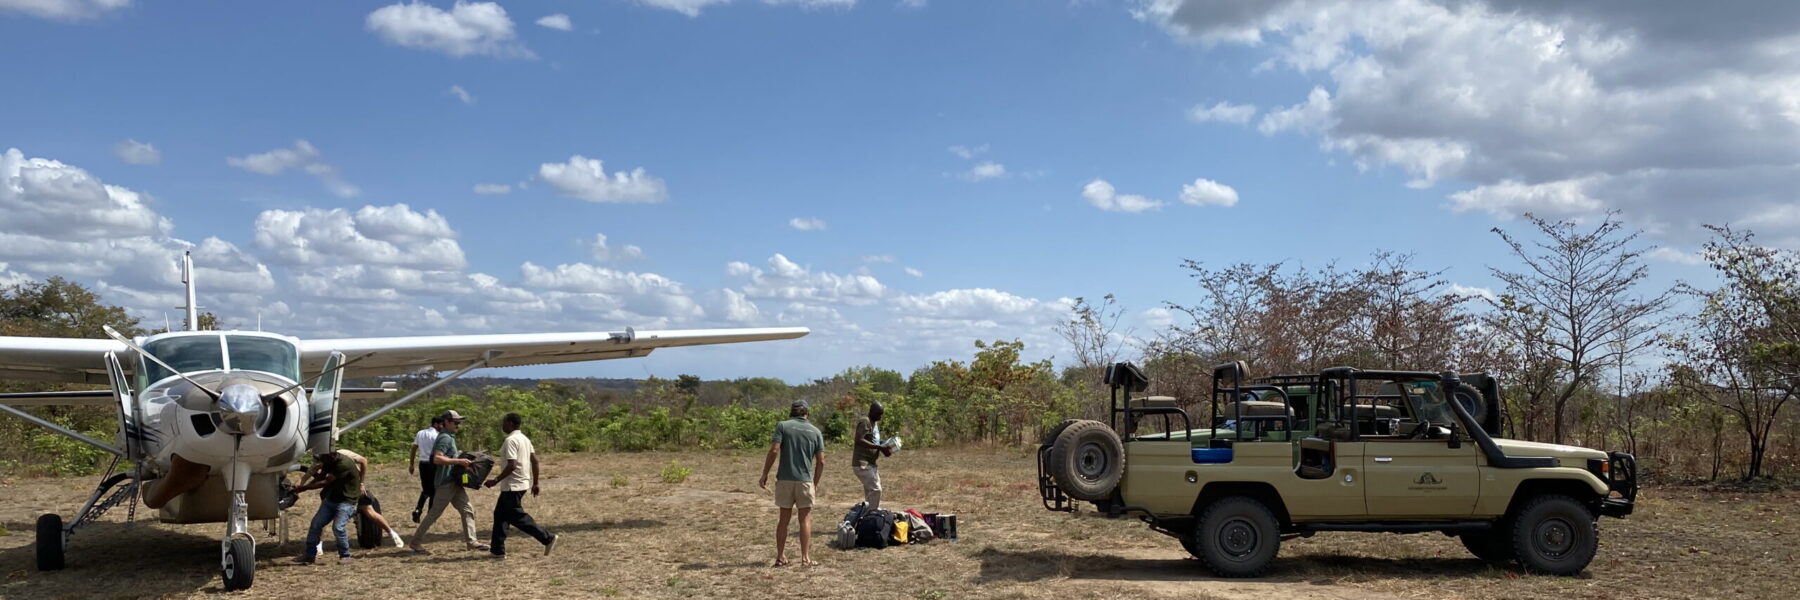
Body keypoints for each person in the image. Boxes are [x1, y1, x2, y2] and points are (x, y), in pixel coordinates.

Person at [298, 448, 406, 554]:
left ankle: (392, 534)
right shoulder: (321, 461)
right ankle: (319, 545)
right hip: (334, 488)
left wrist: (361, 483)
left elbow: (363, 461)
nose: (321, 463)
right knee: (323, 516)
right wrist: (299, 486)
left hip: (351, 487)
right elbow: (310, 476)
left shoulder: (343, 458)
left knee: (368, 510)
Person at [411, 409, 488, 554]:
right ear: (446, 422)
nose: (458, 425)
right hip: (446, 482)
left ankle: (472, 542)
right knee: (434, 513)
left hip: (453, 481)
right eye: (455, 422)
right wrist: (459, 461)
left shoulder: (449, 437)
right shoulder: (445, 438)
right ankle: (415, 543)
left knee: (467, 510)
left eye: (459, 422)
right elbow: (437, 458)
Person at [482, 413, 558, 558]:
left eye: (504, 423)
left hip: (513, 485)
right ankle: (497, 550)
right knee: (500, 515)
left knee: (517, 517)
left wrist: (495, 480)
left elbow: (512, 465)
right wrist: (535, 483)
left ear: (510, 423)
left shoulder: (510, 440)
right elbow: (535, 461)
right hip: (522, 483)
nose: (502, 426)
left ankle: (547, 538)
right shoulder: (524, 439)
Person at [759, 400, 824, 568]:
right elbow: (821, 461)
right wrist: (814, 483)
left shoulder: (783, 426)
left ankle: (780, 557)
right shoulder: (816, 432)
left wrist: (765, 473)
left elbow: (774, 450)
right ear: (807, 413)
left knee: (783, 519)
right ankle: (805, 558)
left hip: (785, 479)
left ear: (792, 412)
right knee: (805, 519)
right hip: (805, 480)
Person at [291, 450, 361, 565]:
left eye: (323, 459)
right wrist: (305, 486)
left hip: (347, 501)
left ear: (330, 457)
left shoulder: (344, 464)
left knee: (338, 528)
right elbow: (321, 477)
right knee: (316, 524)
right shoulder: (328, 461)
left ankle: (345, 556)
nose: (321, 462)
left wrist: (305, 488)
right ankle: (309, 555)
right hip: (332, 499)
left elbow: (325, 482)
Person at [851, 401, 895, 510]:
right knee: (876, 490)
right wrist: (879, 447)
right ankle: (872, 514)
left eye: (881, 414)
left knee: (870, 494)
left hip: (871, 463)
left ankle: (867, 515)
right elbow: (859, 440)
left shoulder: (874, 424)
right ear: (871, 412)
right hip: (862, 463)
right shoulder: (865, 421)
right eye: (878, 414)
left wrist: (886, 445)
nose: (880, 417)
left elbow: (874, 440)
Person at [409, 415, 442, 523]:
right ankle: (430, 514)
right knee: (435, 489)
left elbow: (414, 448)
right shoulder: (437, 436)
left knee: (426, 489)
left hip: (422, 464)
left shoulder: (420, 433)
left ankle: (418, 509)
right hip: (433, 464)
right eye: (441, 424)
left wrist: (411, 464)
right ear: (436, 424)